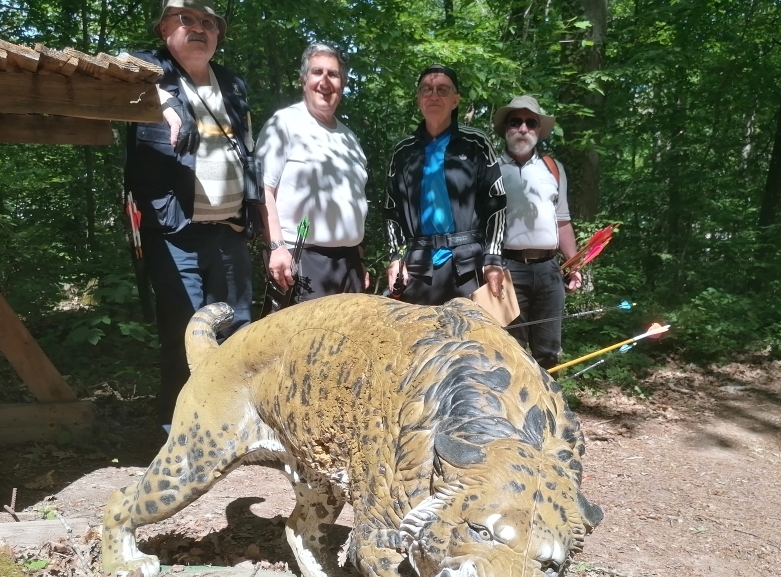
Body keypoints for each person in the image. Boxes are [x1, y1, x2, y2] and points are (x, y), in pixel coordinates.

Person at [125, 0, 261, 430]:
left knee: (237, 336)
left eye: (208, 23)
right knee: (182, 336)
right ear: (164, 28)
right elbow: (123, 66)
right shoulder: (147, 72)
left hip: (230, 234)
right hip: (175, 235)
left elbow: (249, 152)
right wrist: (167, 103)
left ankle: (234, 432)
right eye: (187, 19)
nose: (199, 28)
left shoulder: (233, 85)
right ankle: (180, 437)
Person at [255, 43, 369, 301]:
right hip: (302, 259)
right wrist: (277, 247)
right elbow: (263, 190)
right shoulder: (284, 124)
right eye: (317, 72)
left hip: (350, 264)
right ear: (303, 80)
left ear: (343, 84)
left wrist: (360, 261)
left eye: (333, 74)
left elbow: (354, 205)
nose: (325, 81)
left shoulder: (350, 138)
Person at [385, 65, 507, 304]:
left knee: (471, 329)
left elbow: (497, 203)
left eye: (442, 90)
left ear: (455, 100)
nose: (433, 95)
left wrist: (493, 258)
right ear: (419, 99)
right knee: (416, 330)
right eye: (426, 89)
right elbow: (392, 211)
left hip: (468, 265)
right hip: (418, 267)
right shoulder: (403, 152)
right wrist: (396, 256)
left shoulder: (476, 143)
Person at [493, 95, 582, 370]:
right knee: (509, 351)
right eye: (515, 122)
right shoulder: (490, 169)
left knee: (549, 352)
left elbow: (562, 221)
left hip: (549, 270)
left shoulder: (553, 168)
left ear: (538, 130)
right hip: (507, 268)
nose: (523, 128)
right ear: (506, 128)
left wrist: (575, 265)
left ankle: (548, 398)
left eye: (530, 123)